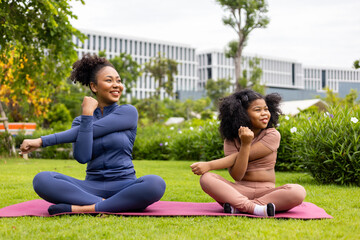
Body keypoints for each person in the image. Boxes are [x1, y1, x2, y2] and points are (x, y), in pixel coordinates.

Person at [20, 54, 166, 215]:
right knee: (42, 179)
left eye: (118, 80)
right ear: (94, 87)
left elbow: (97, 129)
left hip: (125, 185)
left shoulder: (128, 112)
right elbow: (82, 158)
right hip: (90, 188)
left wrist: (41, 141)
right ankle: (113, 205)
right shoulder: (80, 122)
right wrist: (87, 115)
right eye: (109, 80)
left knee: (155, 183)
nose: (117, 85)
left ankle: (82, 208)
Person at [190, 89, 306, 217]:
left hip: (267, 193)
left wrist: (210, 165)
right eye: (257, 110)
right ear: (242, 114)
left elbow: (245, 155)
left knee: (298, 191)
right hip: (239, 191)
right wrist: (244, 144)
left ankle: (241, 207)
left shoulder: (272, 134)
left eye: (266, 109)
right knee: (207, 178)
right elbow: (237, 176)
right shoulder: (230, 140)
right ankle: (255, 208)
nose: (264, 114)